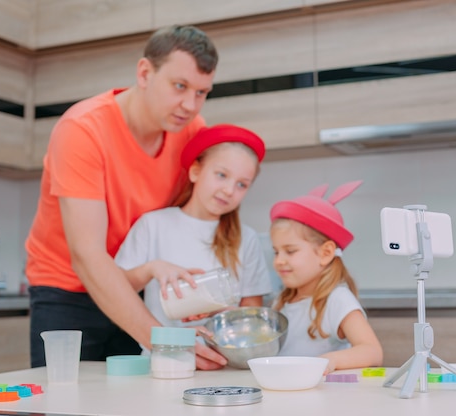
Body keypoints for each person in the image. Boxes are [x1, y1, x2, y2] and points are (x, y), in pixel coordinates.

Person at [24, 25, 227, 370]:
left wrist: (196, 294)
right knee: (65, 402)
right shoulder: (83, 131)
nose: (190, 105)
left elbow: (190, 218)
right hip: (68, 293)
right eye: (180, 86)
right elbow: (87, 257)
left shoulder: (191, 131)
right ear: (145, 73)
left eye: (201, 92)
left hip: (135, 289)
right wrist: (166, 342)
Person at [115, 124, 273, 349]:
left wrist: (222, 313)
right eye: (221, 175)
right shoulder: (153, 225)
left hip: (222, 362)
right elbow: (116, 289)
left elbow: (252, 315)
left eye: (241, 184)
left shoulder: (245, 238)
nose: (229, 190)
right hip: (162, 358)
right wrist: (152, 268)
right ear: (195, 171)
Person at [269, 180, 383, 373]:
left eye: (290, 251)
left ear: (325, 253)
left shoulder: (337, 299)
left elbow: (373, 352)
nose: (279, 261)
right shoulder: (281, 301)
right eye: (276, 252)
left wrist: (329, 361)